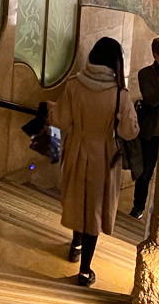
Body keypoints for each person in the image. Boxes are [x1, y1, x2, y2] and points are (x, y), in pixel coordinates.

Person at [52, 36, 139, 287]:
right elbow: (128, 132)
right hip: (103, 154)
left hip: (76, 148)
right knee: (95, 210)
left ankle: (75, 245)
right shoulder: (120, 95)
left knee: (78, 199)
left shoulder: (73, 85)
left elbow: (60, 120)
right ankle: (85, 270)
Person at [131, 36, 159, 220]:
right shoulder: (145, 74)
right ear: (155, 55)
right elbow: (151, 99)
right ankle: (138, 207)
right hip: (150, 133)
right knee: (145, 172)